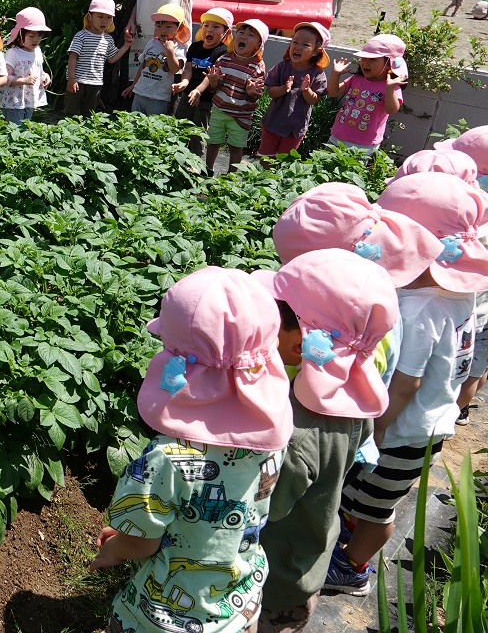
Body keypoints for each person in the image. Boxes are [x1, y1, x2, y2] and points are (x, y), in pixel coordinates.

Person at [89, 266, 291, 633]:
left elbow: (141, 544)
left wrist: (115, 548)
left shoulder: (166, 459)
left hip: (166, 618)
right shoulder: (270, 435)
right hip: (241, 602)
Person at [327, 173, 488, 596]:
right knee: (367, 499)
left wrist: (375, 432)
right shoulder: (459, 295)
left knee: (377, 509)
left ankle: (352, 568)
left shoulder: (419, 309)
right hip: (428, 425)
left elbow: (406, 384)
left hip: (399, 432)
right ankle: (349, 541)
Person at [255, 250, 402, 633]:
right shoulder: (353, 395)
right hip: (310, 559)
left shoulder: (294, 433)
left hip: (274, 580)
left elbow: (261, 508)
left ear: (297, 343)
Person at [433, 127, 488, 425]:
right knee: (476, 364)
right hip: (480, 312)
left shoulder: (466, 215)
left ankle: (446, 409)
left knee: (452, 364)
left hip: (464, 310)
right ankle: (457, 411)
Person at [199, 19, 268, 175]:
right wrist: (214, 81)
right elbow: (215, 87)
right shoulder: (224, 59)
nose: (243, 36)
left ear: (258, 45)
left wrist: (251, 91)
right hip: (219, 109)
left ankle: (231, 178)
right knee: (213, 141)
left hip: (241, 115)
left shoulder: (257, 66)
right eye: (241, 32)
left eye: (251, 35)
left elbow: (255, 96)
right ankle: (208, 168)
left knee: (236, 147)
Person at [257, 23, 330, 159]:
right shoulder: (281, 67)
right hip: (273, 122)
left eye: (305, 45)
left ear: (316, 51)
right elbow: (271, 91)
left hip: (295, 129)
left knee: (283, 161)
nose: (297, 47)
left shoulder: (317, 74)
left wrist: (307, 90)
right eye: (294, 42)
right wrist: (284, 88)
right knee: (265, 157)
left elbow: (314, 100)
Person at [327, 34, 407, 153]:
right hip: (337, 137)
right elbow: (333, 92)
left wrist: (389, 89)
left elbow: (391, 110)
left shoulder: (392, 86)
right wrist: (335, 74)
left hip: (363, 145)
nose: (365, 63)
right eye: (364, 58)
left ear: (389, 63)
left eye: (372, 59)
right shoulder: (356, 79)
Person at [175, 7, 232, 155]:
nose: (209, 30)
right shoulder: (195, 47)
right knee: (178, 127)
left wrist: (198, 90)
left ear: (226, 32)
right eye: (206, 25)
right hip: (187, 96)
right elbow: (187, 68)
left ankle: (195, 164)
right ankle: (175, 158)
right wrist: (184, 83)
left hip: (205, 100)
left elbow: (210, 76)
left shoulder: (222, 52)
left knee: (197, 132)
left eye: (216, 27)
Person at [65, 0, 133, 116]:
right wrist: (71, 79)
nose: (104, 21)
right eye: (100, 17)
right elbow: (73, 57)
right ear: (90, 17)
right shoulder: (81, 36)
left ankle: (85, 133)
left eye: (108, 18)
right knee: (72, 112)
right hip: (78, 81)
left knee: (89, 112)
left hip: (96, 83)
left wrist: (126, 46)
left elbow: (112, 59)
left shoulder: (108, 39)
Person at [121, 3, 187, 116]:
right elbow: (142, 66)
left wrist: (170, 51)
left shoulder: (179, 47)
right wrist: (133, 85)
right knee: (134, 123)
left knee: (154, 127)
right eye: (159, 26)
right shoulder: (151, 43)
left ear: (178, 28)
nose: (163, 30)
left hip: (159, 97)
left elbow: (175, 69)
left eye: (168, 26)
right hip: (140, 92)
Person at [0, 7, 52, 125]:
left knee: (25, 127)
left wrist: (45, 76)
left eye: (39, 36)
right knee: (15, 128)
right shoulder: (13, 53)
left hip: (30, 99)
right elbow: (5, 77)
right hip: (14, 101)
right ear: (20, 34)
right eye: (31, 36)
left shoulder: (37, 51)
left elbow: (37, 69)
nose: (36, 40)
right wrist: (23, 80)